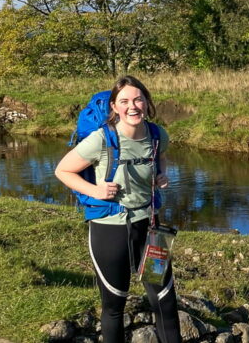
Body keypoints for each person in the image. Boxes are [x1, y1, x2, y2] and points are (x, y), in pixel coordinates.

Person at [55, 76, 181, 343]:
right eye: (124, 101)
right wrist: (95, 191)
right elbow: (63, 170)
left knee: (165, 301)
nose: (132, 106)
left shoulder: (158, 134)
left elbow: (161, 156)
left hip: (150, 228)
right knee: (114, 306)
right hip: (109, 229)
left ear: (147, 102)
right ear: (114, 106)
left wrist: (162, 174)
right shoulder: (101, 139)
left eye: (138, 99)